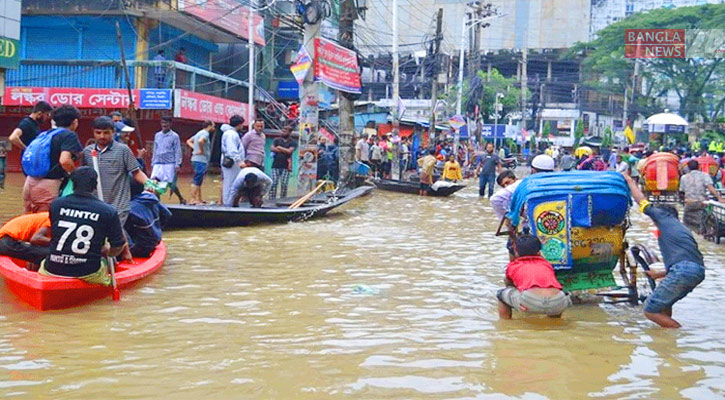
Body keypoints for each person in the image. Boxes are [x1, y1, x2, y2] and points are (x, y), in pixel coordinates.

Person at [623, 172, 706, 328]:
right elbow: (689, 263)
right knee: (664, 305)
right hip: (696, 271)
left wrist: (629, 181)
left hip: (684, 270)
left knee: (650, 310)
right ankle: (668, 345)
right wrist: (659, 274)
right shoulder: (682, 229)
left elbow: (642, 202)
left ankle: (677, 333)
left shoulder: (664, 217)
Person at [39, 167, 127, 286]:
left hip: (52, 268)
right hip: (88, 272)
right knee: (104, 263)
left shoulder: (56, 204)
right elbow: (118, 246)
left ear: (73, 183)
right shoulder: (108, 211)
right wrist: (108, 253)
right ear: (95, 186)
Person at [81, 116, 150, 229]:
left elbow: (136, 172)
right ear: (93, 132)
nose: (102, 136)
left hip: (118, 207)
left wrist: (149, 183)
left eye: (106, 133)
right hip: (95, 206)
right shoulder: (87, 152)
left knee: (114, 238)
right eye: (98, 133)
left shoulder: (123, 150)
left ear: (113, 132)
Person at [21, 104, 83, 214]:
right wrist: (76, 176)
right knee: (45, 223)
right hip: (48, 186)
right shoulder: (69, 135)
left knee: (28, 222)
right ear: (74, 121)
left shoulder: (45, 134)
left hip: (29, 183)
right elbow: (64, 160)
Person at [497, 234, 572, 320]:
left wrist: (520, 300)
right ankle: (554, 319)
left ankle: (506, 324)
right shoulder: (546, 264)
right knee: (560, 296)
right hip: (558, 301)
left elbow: (509, 284)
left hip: (530, 301)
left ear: (516, 252)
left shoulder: (513, 266)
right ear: (539, 252)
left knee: (500, 294)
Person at [125, 183, 171, 258]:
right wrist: (158, 229)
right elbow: (167, 214)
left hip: (141, 247)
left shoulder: (128, 207)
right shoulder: (151, 197)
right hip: (156, 239)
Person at [679, 159, 724, 229]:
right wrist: (719, 198)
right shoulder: (704, 175)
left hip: (689, 204)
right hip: (702, 203)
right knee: (705, 221)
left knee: (686, 225)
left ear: (688, 168)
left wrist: (683, 200)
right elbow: (711, 188)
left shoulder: (684, 178)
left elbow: (682, 192)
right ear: (699, 167)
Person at [151, 116, 185, 204]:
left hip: (169, 163)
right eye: (162, 123)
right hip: (158, 162)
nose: (164, 125)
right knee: (154, 182)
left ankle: (181, 198)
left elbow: (177, 150)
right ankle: (158, 202)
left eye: (166, 123)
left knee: (170, 183)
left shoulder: (174, 136)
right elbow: (155, 149)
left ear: (170, 124)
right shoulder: (157, 135)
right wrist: (153, 161)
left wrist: (178, 164)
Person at [185, 120, 214, 205]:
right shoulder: (205, 133)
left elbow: (188, 141)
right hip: (201, 160)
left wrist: (195, 148)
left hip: (195, 159)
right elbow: (201, 141)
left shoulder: (199, 133)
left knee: (199, 179)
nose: (214, 128)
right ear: (209, 126)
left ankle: (199, 199)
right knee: (197, 179)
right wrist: (200, 150)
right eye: (213, 126)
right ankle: (192, 199)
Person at [270, 125, 297, 199]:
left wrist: (279, 148)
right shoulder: (277, 140)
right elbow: (272, 148)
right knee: (274, 183)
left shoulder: (293, 142)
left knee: (284, 184)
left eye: (285, 131)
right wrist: (285, 150)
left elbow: (289, 151)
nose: (283, 132)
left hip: (286, 166)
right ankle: (271, 200)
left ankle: (282, 200)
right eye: (282, 131)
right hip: (275, 165)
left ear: (290, 132)